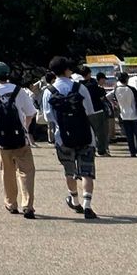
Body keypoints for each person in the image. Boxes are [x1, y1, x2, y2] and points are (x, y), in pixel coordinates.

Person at [42, 55, 98, 220]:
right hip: (85, 134)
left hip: (62, 137)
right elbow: (89, 110)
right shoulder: (79, 88)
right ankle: (88, 205)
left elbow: (48, 117)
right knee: (87, 171)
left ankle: (74, 200)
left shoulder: (49, 91)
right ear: (67, 70)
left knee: (69, 170)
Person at [0, 62, 38, 218]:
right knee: (26, 171)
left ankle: (11, 203)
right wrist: (25, 128)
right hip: (20, 137)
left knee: (7, 171)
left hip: (0, 139)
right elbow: (30, 113)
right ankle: (27, 205)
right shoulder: (18, 90)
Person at [78, 67, 111, 156]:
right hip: (97, 110)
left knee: (89, 131)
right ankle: (101, 150)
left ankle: (89, 148)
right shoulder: (93, 85)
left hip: (84, 111)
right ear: (88, 73)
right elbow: (100, 96)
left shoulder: (79, 85)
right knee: (100, 132)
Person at [114, 72, 137, 157]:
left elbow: (116, 100)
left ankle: (132, 152)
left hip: (124, 115)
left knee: (129, 135)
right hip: (134, 114)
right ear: (127, 79)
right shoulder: (131, 89)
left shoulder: (116, 89)